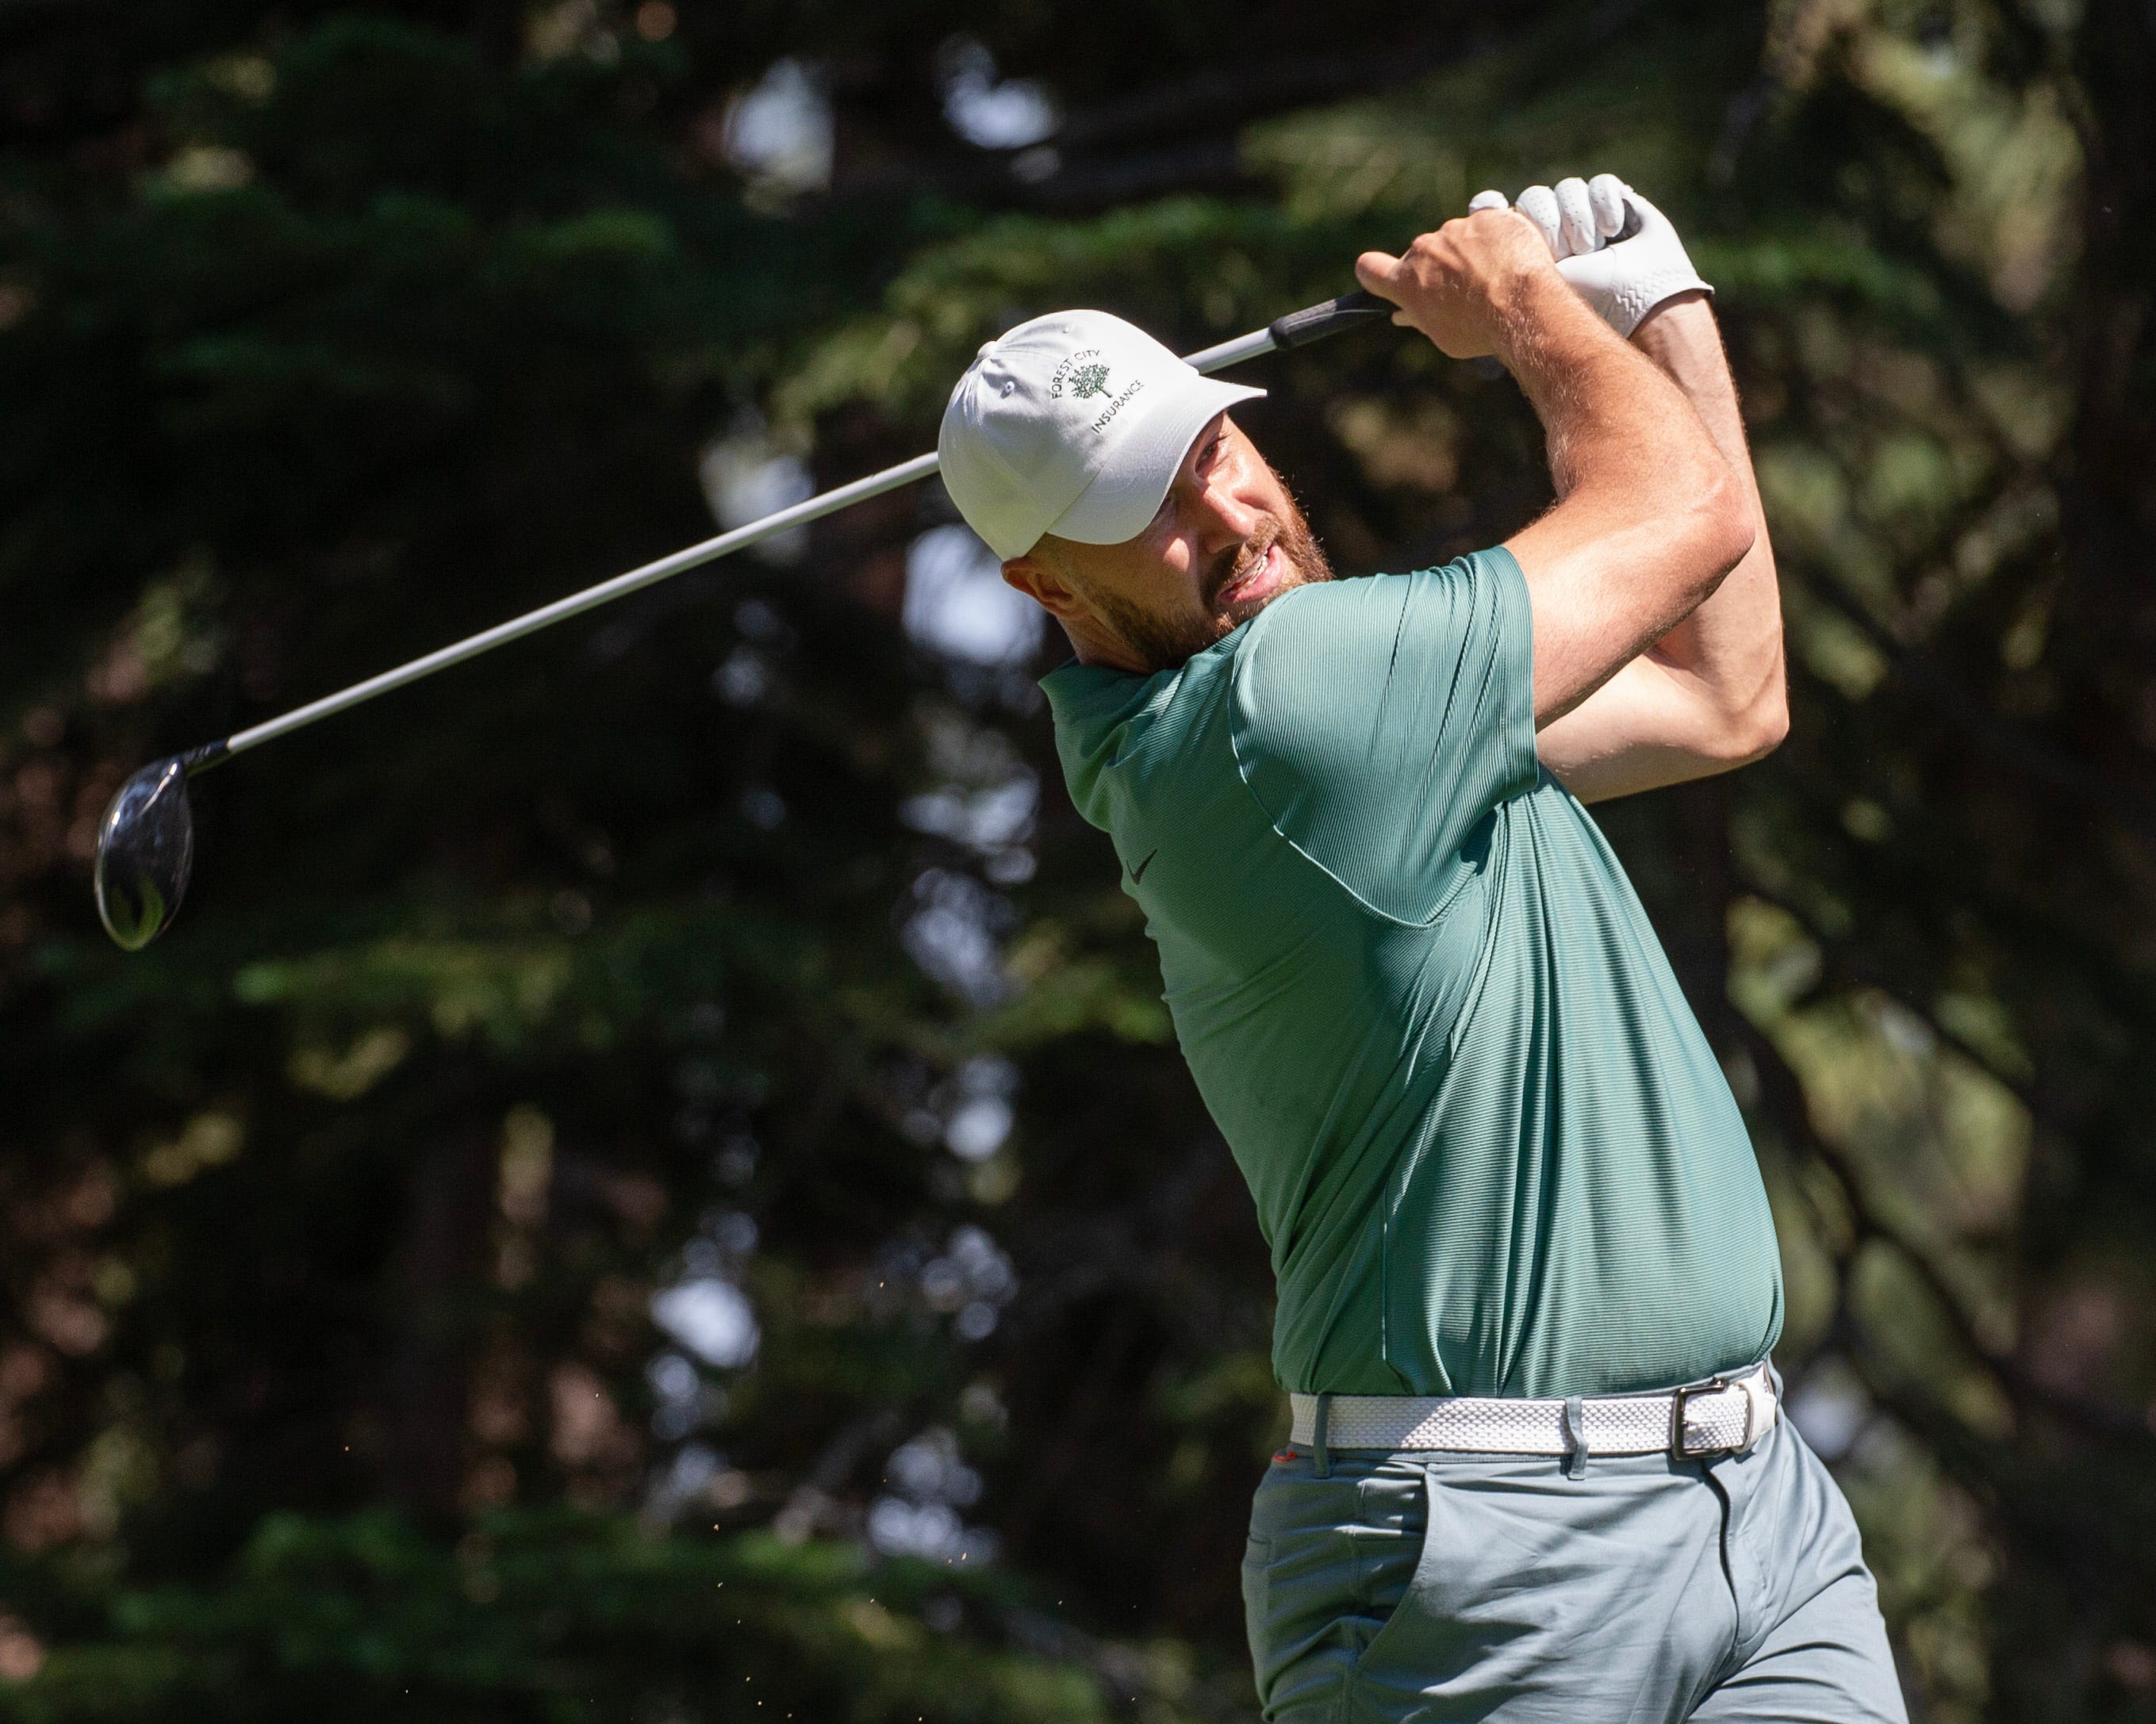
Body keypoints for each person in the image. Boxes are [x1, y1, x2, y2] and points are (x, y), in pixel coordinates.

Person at [935, 175, 1906, 1723]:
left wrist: (1664, 306)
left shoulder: (1374, 709)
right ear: (1045, 583)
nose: (1224, 520)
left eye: (1214, 455)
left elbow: (1732, 694)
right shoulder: (1279, 714)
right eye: (1145, 514)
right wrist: (1528, 307)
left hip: (1760, 1520)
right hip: (1482, 1572)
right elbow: (1687, 514)